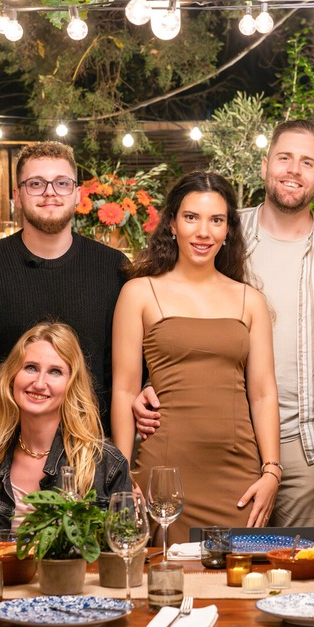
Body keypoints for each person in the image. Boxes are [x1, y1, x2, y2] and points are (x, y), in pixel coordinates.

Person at [134, 121, 314, 528]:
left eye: (307, 162)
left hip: (305, 443)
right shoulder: (221, 228)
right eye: (284, 158)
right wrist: (153, 382)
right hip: (222, 435)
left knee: (297, 560)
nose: (294, 170)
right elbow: (176, 309)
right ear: (264, 165)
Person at [113, 171, 280, 543]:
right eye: (191, 217)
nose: (203, 232)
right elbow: (124, 391)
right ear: (172, 224)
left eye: (216, 220)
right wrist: (120, 478)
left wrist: (272, 471)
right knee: (163, 575)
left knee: (237, 577)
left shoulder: (250, 300)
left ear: (228, 230)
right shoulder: (139, 293)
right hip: (164, 474)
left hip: (237, 476)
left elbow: (263, 393)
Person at [0, 141, 127, 450]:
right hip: (9, 454)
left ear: (77, 194)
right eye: (35, 184)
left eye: (61, 183)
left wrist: (115, 465)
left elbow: (125, 376)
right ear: (17, 196)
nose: (50, 193)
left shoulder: (113, 268)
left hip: (95, 454)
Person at [0, 322, 132, 539]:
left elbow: (127, 547)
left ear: (71, 385)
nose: (39, 383)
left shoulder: (106, 464)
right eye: (31, 368)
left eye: (55, 372)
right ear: (12, 377)